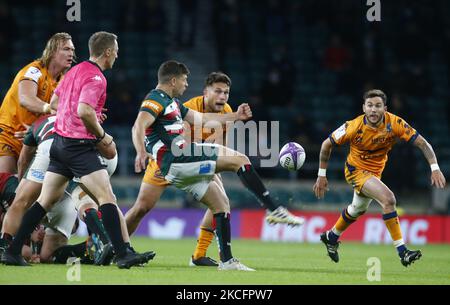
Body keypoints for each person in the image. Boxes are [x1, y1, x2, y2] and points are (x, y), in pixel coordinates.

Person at [1, 31, 153, 269]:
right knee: (107, 197)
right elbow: (84, 110)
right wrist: (102, 135)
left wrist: (73, 114)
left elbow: (53, 104)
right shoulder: (96, 78)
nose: (117, 57)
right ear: (108, 52)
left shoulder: (73, 71)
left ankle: (11, 251)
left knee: (45, 200)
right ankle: (123, 254)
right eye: (116, 52)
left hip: (58, 144)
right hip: (78, 145)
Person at [132, 60, 303, 271]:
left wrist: (234, 120)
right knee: (141, 208)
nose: (223, 97)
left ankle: (213, 258)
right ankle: (274, 209)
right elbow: (174, 141)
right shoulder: (180, 104)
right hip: (170, 161)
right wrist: (141, 150)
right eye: (218, 92)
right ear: (205, 92)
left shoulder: (214, 110)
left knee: (221, 203)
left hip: (192, 159)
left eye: (226, 93)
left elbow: (218, 143)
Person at [313, 89, 446, 267]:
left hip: (374, 173)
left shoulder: (395, 123)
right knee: (388, 199)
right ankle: (403, 252)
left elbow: (423, 143)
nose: (373, 110)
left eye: (377, 106)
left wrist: (435, 168)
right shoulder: (353, 126)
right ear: (363, 108)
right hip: (355, 171)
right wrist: (321, 175)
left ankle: (331, 237)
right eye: (369, 105)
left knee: (357, 209)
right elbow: (326, 144)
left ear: (385, 108)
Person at [0, 114, 119, 266]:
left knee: (23, 201)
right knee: (47, 255)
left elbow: (24, 159)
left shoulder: (39, 123)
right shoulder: (79, 116)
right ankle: (103, 244)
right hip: (96, 152)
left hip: (55, 149)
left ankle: (7, 248)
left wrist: (22, 182)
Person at [0, 32, 75, 174]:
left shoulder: (64, 81)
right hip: (9, 136)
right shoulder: (34, 70)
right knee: (4, 183)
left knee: (28, 191)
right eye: (66, 49)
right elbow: (25, 99)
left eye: (72, 50)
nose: (71, 53)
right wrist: (49, 108)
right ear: (52, 51)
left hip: (33, 140)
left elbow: (65, 114)